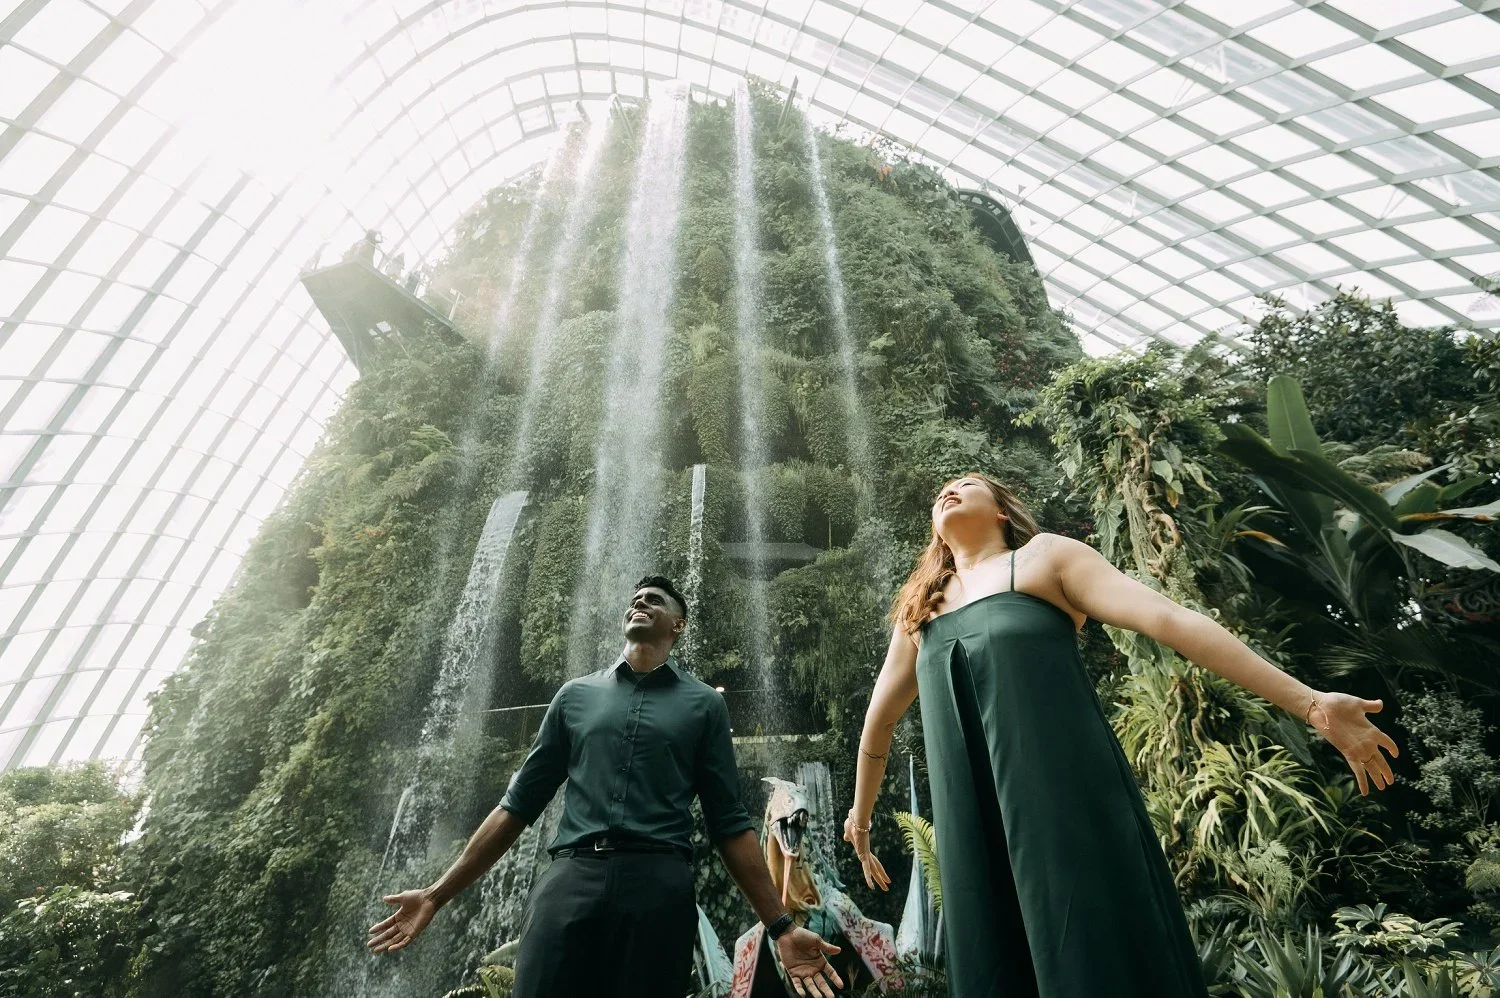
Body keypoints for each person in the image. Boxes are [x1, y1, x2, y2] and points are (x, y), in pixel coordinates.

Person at [841, 473, 1400, 998]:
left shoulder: (1045, 558)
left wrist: (1310, 704)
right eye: (942, 491)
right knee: (994, 955)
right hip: (971, 822)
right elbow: (878, 723)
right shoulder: (920, 610)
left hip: (1068, 802)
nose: (949, 492)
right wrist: (860, 820)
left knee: (1090, 942)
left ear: (1003, 510)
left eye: (966, 485)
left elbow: (1171, 622)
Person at [369, 575, 845, 998]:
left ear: (678, 625)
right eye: (636, 598)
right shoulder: (574, 696)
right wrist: (435, 894)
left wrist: (780, 926)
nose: (640, 602)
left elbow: (730, 824)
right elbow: (516, 807)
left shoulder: (704, 706)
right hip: (570, 878)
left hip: (659, 883)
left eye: (655, 600)